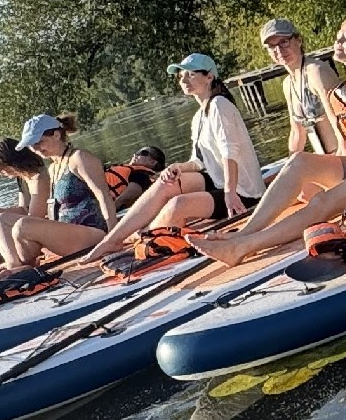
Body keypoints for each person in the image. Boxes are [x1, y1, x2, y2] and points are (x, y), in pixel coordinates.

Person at [198, 17, 346, 266]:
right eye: (338, 37)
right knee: (298, 162)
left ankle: (242, 247)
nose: (339, 41)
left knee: (322, 201)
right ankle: (243, 233)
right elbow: (305, 135)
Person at [83, 55, 259, 264]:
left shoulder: (220, 105)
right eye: (181, 76)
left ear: (209, 77)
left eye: (191, 74)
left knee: (177, 205)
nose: (184, 80)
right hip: (219, 182)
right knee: (166, 182)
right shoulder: (199, 117)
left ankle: (144, 236)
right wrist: (178, 167)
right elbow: (199, 162)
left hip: (241, 193)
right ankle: (112, 239)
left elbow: (230, 151)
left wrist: (230, 192)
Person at [0, 113, 116, 268]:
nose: (36, 149)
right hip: (68, 234)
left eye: (39, 142)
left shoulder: (79, 158)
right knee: (1, 221)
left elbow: (103, 196)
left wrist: (113, 237)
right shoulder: (53, 168)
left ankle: (17, 268)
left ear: (56, 135)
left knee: (23, 225)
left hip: (93, 232)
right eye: (32, 145)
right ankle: (14, 265)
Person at [259, 18, 345, 158]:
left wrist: (344, 155)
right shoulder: (287, 84)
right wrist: (290, 161)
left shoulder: (317, 72)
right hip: (323, 158)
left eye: (284, 42)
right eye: (272, 47)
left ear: (298, 40)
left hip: (342, 154)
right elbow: (297, 132)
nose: (279, 50)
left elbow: (340, 120)